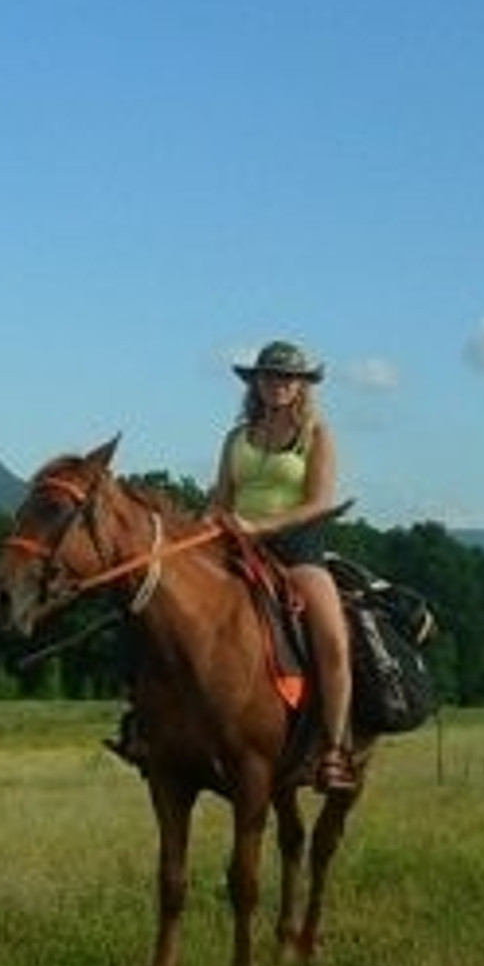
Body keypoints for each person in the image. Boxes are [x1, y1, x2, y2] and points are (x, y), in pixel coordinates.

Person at [210, 340, 358, 794]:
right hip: (233, 546)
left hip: (296, 548)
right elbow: (220, 498)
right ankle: (147, 726)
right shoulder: (236, 437)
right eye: (271, 376)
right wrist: (207, 525)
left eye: (289, 377)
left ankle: (332, 751)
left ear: (302, 386)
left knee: (332, 639)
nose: (279, 384)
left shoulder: (317, 435)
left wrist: (261, 527)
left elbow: (318, 502)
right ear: (256, 381)